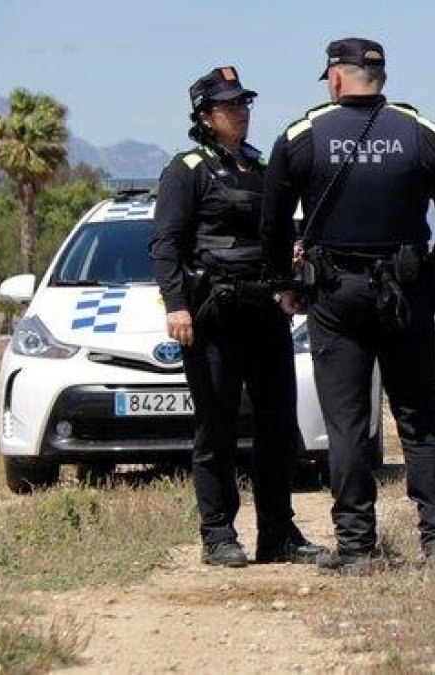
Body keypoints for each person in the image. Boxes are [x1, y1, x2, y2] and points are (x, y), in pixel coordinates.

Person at [261, 38, 435, 573]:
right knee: (419, 420)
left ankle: (357, 547)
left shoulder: (301, 135)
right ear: (380, 77)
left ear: (337, 77)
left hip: (335, 297)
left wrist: (283, 284)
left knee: (347, 423)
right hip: (406, 293)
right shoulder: (421, 132)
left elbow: (271, 223)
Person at [150, 65, 324, 567]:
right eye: (230, 105)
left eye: (245, 103)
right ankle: (218, 534)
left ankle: (278, 534)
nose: (241, 112)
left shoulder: (262, 165)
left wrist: (290, 274)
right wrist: (176, 304)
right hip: (213, 315)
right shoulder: (186, 169)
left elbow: (279, 231)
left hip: (265, 312)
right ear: (205, 116)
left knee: (277, 426)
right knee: (217, 428)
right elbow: (165, 244)